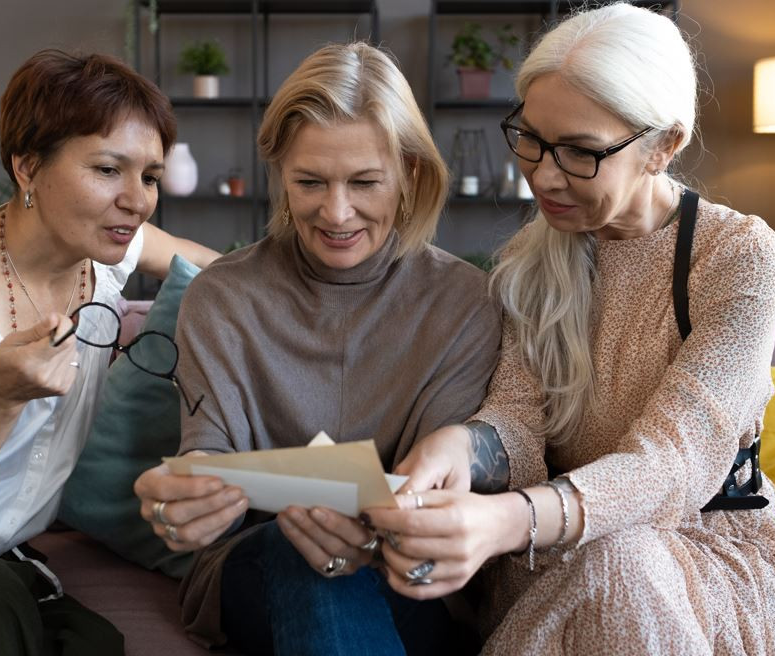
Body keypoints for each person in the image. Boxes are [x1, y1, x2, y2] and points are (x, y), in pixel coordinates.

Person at [365, 4, 775, 655]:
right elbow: (517, 421)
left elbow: (674, 463)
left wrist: (510, 518)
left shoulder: (734, 257)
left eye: (580, 152)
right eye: (530, 139)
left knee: (622, 564)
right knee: (613, 562)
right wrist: (461, 446)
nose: (542, 175)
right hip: (557, 557)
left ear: (663, 146)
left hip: (707, 564)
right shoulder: (530, 259)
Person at [133, 42, 501, 655]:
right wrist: (189, 503)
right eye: (309, 182)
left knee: (328, 553)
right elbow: (209, 457)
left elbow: (441, 492)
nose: (336, 212)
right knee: (297, 543)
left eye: (364, 182)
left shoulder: (464, 302)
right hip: (257, 566)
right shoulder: (221, 297)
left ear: (410, 174)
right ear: (280, 172)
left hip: (408, 573)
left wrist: (375, 532)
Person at [0, 49, 219, 655]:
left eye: (150, 176)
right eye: (108, 169)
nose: (137, 200)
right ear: (27, 167)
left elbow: (229, 273)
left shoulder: (107, 251)